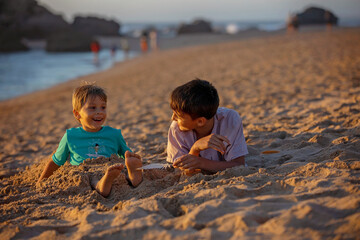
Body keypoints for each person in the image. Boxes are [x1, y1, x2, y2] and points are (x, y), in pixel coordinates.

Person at [37, 84, 143, 197]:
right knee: (89, 178)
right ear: (77, 114)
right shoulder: (70, 136)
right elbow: (56, 161)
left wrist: (130, 158)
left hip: (108, 167)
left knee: (119, 170)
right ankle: (101, 185)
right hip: (84, 172)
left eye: (103, 107)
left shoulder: (114, 134)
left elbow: (126, 155)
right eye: (92, 108)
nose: (99, 112)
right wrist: (41, 181)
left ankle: (133, 176)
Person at [166, 79, 248, 174]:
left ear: (200, 121)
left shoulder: (230, 119)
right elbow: (184, 172)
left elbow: (239, 165)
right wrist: (195, 149)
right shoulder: (176, 128)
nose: (173, 118)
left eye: (179, 116)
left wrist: (201, 162)